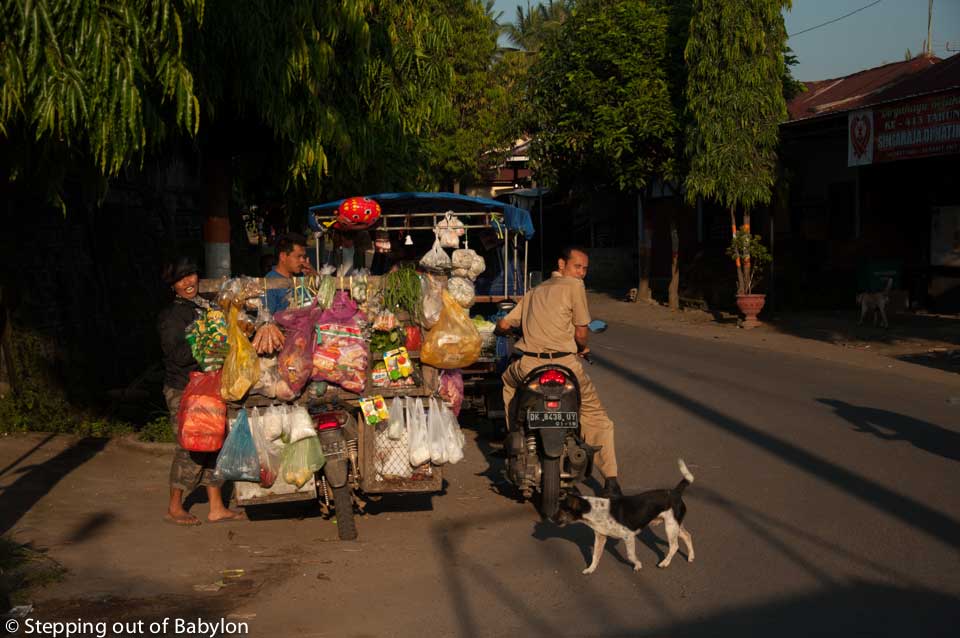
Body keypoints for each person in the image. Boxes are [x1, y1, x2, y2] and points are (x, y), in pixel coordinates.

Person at [496, 245, 622, 498]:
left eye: (585, 269)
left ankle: (514, 435)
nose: (582, 273)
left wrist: (507, 332)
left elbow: (503, 323)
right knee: (596, 418)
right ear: (562, 265)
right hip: (566, 365)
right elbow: (581, 332)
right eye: (578, 267)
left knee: (508, 382)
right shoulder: (574, 287)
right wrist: (582, 348)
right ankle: (611, 481)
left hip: (529, 365)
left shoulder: (534, 291)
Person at [158, 256, 247, 525]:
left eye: (191, 275)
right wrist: (206, 339)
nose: (188, 282)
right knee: (190, 446)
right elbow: (177, 354)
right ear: (172, 286)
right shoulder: (171, 316)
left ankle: (216, 507)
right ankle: (174, 507)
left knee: (213, 445)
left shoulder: (206, 306)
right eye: (181, 279)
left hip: (209, 386)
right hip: (183, 389)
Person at [252, 233, 316, 354]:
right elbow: (266, 321)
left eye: (304, 257)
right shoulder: (270, 283)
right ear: (283, 256)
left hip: (305, 342)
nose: (302, 261)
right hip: (284, 348)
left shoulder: (301, 278)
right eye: (298, 257)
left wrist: (314, 276)